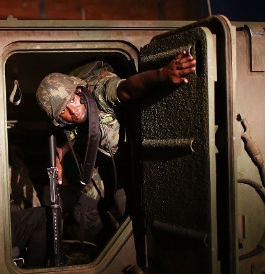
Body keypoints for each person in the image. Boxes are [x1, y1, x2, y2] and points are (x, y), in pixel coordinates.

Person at [35, 50, 197, 247]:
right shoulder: (65, 124)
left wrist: (161, 75)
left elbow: (125, 89)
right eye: (63, 111)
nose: (73, 110)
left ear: (78, 90)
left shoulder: (98, 93)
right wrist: (59, 156)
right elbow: (68, 137)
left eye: (71, 99)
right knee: (84, 208)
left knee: (131, 211)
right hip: (101, 160)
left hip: (133, 155)